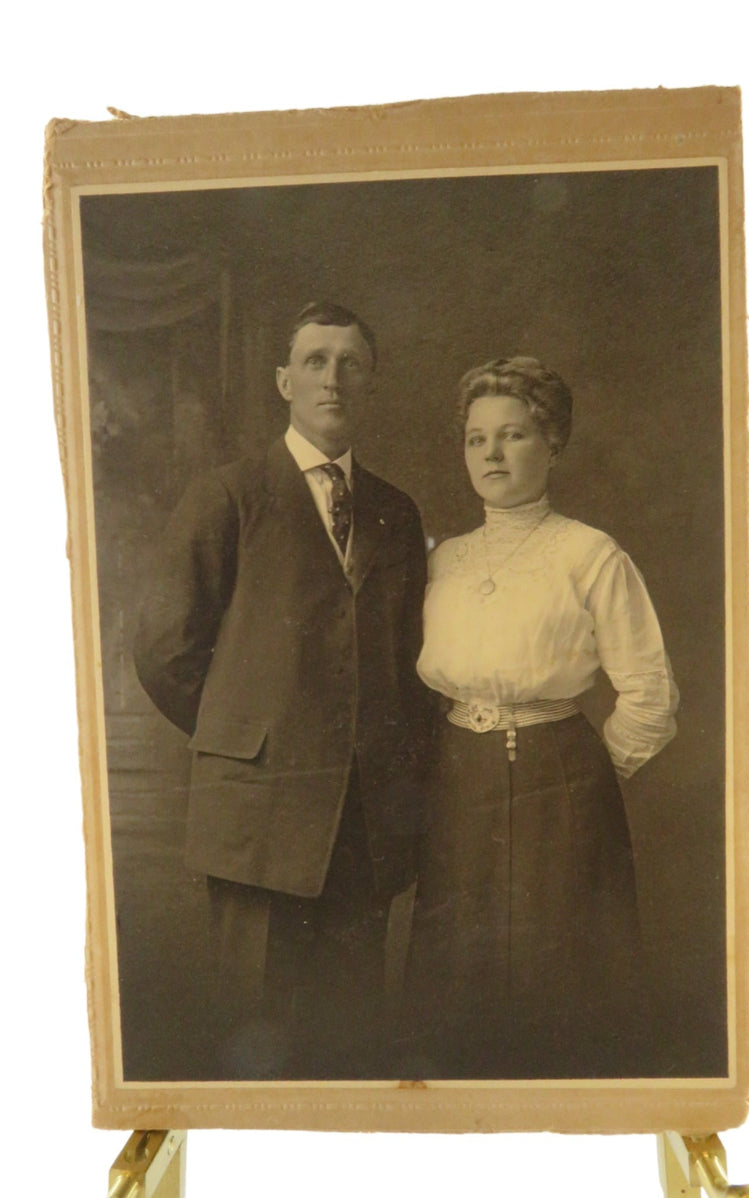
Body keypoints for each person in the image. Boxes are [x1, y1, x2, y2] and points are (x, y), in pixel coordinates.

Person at [133, 301, 430, 1079]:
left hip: (363, 826)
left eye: (351, 363)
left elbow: (407, 662)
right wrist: (253, 739)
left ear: (370, 382)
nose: (333, 377)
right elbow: (166, 650)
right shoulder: (228, 496)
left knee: (351, 1042)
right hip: (258, 819)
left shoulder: (396, 513)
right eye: (316, 360)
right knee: (252, 1047)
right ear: (284, 381)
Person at [402, 356, 679, 1079]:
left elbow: (650, 694)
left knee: (562, 980)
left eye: (514, 434)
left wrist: (581, 774)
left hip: (561, 783)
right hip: (457, 779)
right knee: (457, 978)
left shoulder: (590, 553)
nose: (492, 454)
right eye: (476, 438)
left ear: (552, 443)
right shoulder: (442, 560)